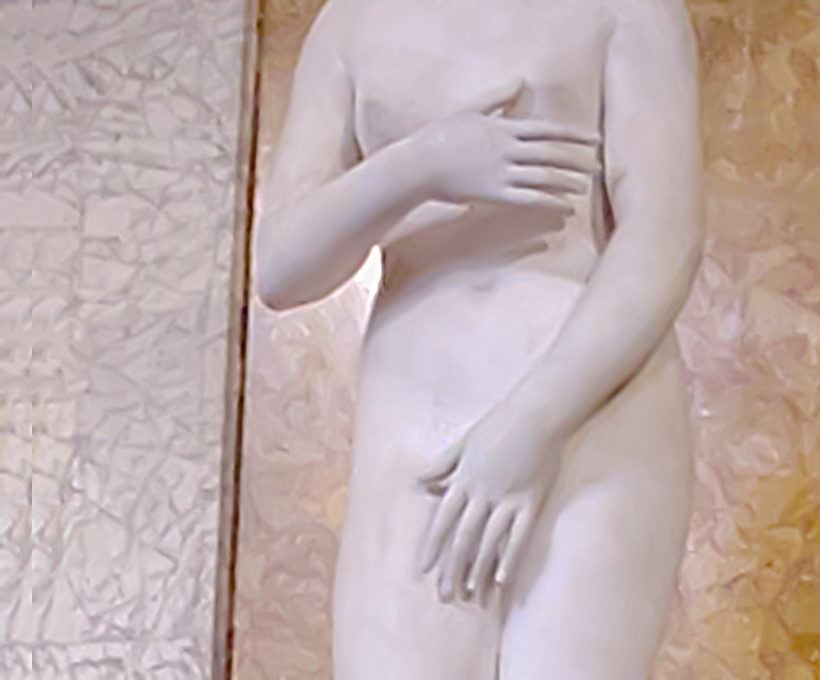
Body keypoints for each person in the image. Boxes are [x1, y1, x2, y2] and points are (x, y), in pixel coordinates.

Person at [254, 0, 704, 677]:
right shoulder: (351, 21)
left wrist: (532, 426)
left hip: (588, 410)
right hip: (416, 416)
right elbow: (282, 268)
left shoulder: (625, 9)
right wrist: (424, 162)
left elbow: (664, 236)